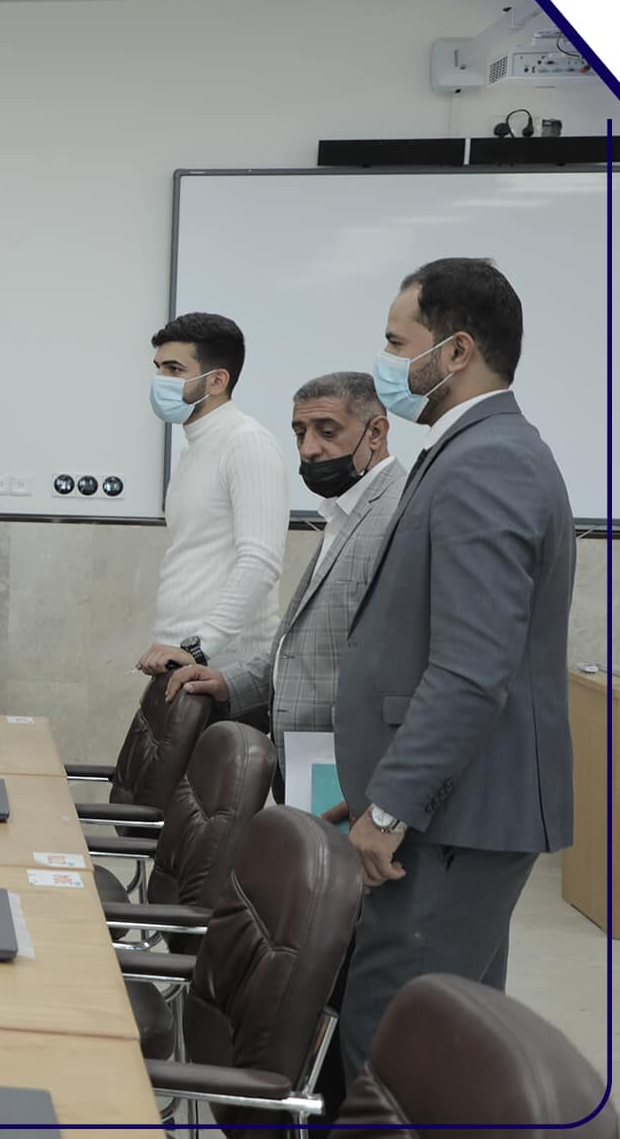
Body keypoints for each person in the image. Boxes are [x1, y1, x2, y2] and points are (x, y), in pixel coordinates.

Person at [333, 257, 574, 1085]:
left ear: (458, 349)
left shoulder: (490, 460)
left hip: (450, 821)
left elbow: (472, 667)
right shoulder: (471, 449)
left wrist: (392, 804)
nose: (386, 362)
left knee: (390, 1046)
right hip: (451, 812)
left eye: (398, 343)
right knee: (446, 1040)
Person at [168, 371, 405, 803]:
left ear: (376, 432)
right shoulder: (345, 513)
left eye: (327, 432)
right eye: (300, 433)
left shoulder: (397, 515)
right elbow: (305, 651)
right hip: (307, 765)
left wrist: (385, 803)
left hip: (351, 775)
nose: (309, 449)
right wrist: (227, 683)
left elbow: (406, 675)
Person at [137, 312, 287, 679]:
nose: (161, 380)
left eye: (174, 369)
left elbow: (260, 562)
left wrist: (199, 646)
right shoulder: (194, 449)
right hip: (179, 658)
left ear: (217, 380)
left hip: (223, 670)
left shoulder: (247, 443)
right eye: (159, 368)